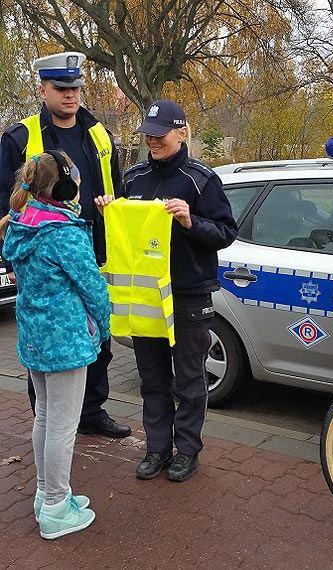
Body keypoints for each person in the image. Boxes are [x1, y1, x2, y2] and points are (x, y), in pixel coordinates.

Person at [96, 99, 238, 482]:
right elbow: (123, 234)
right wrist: (109, 208)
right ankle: (157, 448)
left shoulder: (201, 180)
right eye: (149, 135)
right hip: (145, 298)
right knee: (153, 380)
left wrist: (192, 221)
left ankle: (187, 451)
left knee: (190, 380)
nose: (153, 142)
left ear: (181, 132)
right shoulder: (136, 177)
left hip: (188, 295)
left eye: (160, 135)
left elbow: (226, 233)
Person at [0, 51, 131, 439]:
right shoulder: (20, 137)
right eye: (61, 88)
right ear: (42, 89)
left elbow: (117, 187)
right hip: (42, 249)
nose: (71, 95)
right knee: (46, 332)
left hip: (93, 245)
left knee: (98, 339)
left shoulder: (99, 134)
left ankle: (91, 412)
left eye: (75, 87)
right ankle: (49, 418)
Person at [0, 151, 109, 538]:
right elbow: (93, 287)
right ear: (64, 187)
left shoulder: (21, 225)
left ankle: (46, 495)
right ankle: (56, 508)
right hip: (65, 343)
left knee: (45, 417)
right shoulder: (63, 233)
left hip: (34, 339)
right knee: (63, 425)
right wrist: (106, 324)